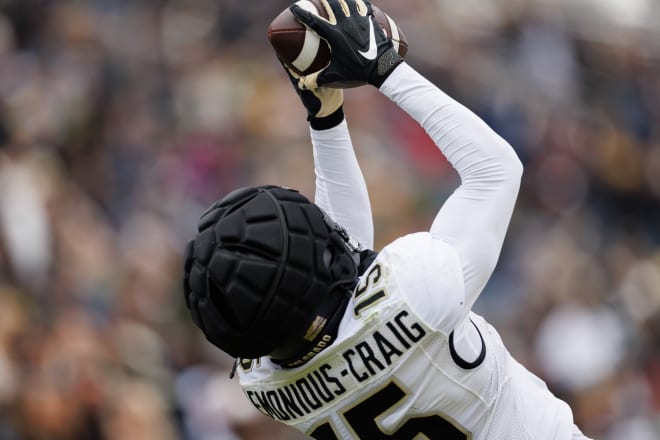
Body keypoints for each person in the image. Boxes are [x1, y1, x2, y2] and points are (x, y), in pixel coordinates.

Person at [183, 1, 591, 438]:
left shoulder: (264, 387)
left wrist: (325, 118)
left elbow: (342, 270)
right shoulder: (420, 291)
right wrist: (386, 69)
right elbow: (494, 171)